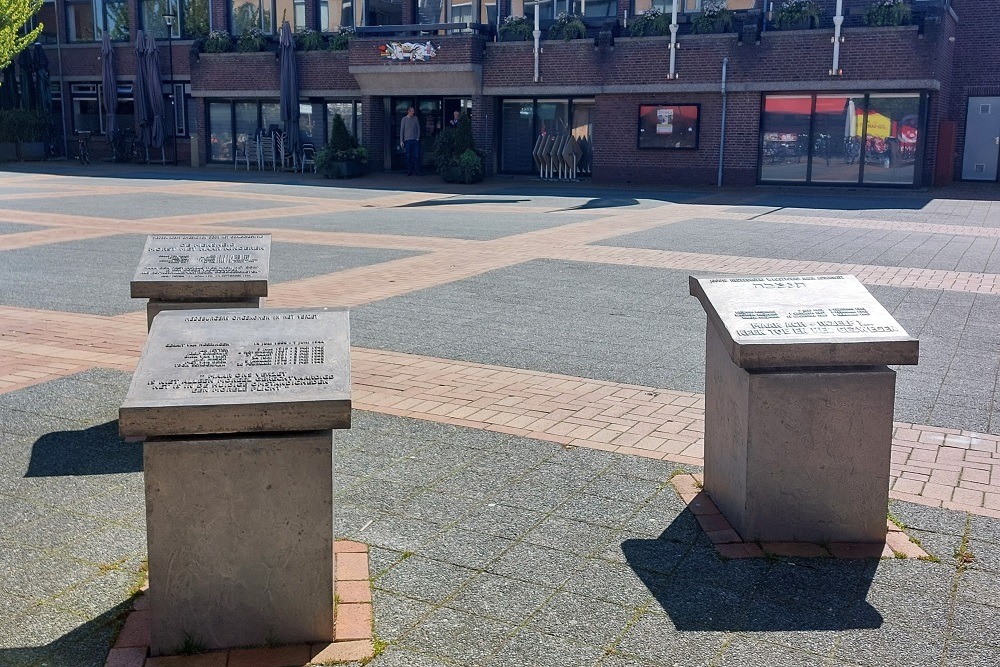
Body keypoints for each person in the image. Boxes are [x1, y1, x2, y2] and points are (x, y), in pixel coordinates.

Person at [400, 107, 421, 176]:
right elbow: (402, 130)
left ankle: (417, 171)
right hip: (407, 140)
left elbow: (418, 128)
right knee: (408, 155)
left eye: (413, 111)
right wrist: (401, 140)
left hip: (415, 140)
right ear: (408, 111)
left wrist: (417, 138)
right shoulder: (404, 119)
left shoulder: (415, 118)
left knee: (416, 155)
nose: (413, 112)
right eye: (412, 111)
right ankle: (409, 171)